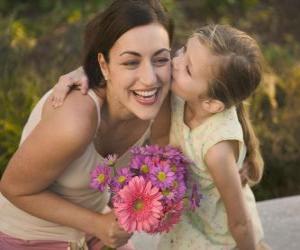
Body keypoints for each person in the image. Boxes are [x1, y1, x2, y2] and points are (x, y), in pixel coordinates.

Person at [52, 24, 269, 249]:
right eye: (184, 49)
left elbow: (240, 222)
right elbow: (162, 143)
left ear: (211, 103)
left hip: (219, 234)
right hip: (188, 220)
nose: (174, 62)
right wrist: (86, 71)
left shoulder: (217, 150)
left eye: (188, 69)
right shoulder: (181, 93)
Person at [0, 0, 173, 249]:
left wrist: (237, 156)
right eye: (130, 62)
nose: (149, 79)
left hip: (93, 233)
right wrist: (98, 224)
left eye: (160, 59)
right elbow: (12, 187)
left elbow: (215, 75)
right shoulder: (75, 121)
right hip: (27, 238)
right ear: (104, 65)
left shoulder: (161, 94)